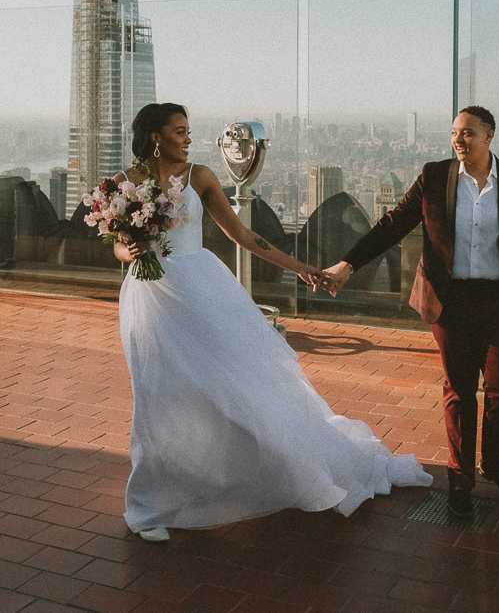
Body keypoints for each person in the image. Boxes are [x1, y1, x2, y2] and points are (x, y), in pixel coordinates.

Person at [113, 103, 431, 542]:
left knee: (234, 382)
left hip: (201, 290)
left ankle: (245, 472)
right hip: (150, 297)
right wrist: (127, 252)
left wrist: (299, 265)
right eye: (179, 131)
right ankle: (150, 506)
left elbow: (244, 236)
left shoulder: (200, 177)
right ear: (155, 136)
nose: (188, 138)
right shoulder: (125, 182)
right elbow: (119, 243)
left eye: (188, 131)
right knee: (158, 393)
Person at [320, 106, 499, 517]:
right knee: (459, 390)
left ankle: (496, 467)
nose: (458, 140)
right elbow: (392, 225)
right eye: (454, 133)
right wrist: (347, 264)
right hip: (451, 303)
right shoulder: (434, 177)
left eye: (467, 133)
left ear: (490, 136)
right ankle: (460, 479)